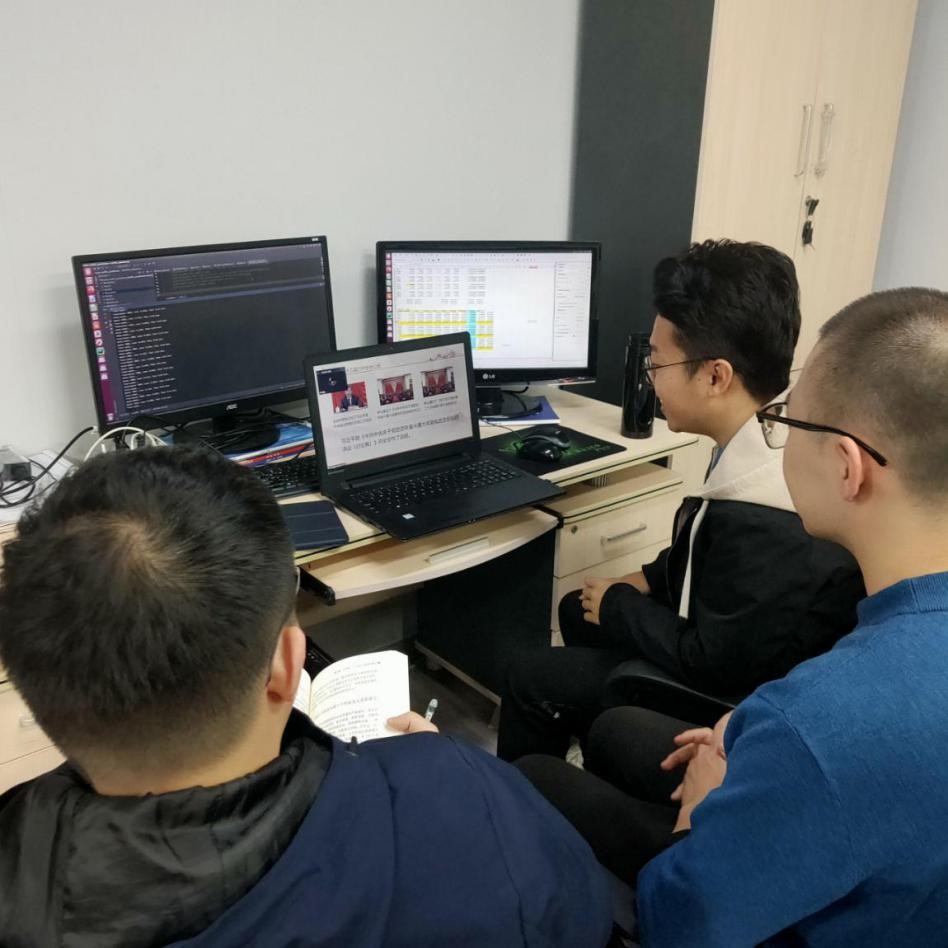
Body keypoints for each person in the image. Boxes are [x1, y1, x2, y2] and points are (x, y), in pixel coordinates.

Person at [0, 446, 612, 947]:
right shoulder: (462, 794)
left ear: (39, 694)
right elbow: (581, 916)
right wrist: (438, 775)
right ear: (288, 663)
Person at [633, 287, 948, 944]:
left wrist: (703, 809)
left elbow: (678, 924)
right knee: (620, 732)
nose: (777, 439)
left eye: (788, 422)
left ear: (847, 467)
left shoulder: (823, 718)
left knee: (543, 789)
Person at [497, 239, 863, 762]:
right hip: (728, 638)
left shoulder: (768, 520)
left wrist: (621, 605)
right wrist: (649, 577)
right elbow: (711, 555)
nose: (650, 378)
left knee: (529, 675)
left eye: (656, 361)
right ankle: (601, 752)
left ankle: (546, 784)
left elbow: (715, 662)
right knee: (576, 608)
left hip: (728, 698)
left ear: (715, 376)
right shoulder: (768, 437)